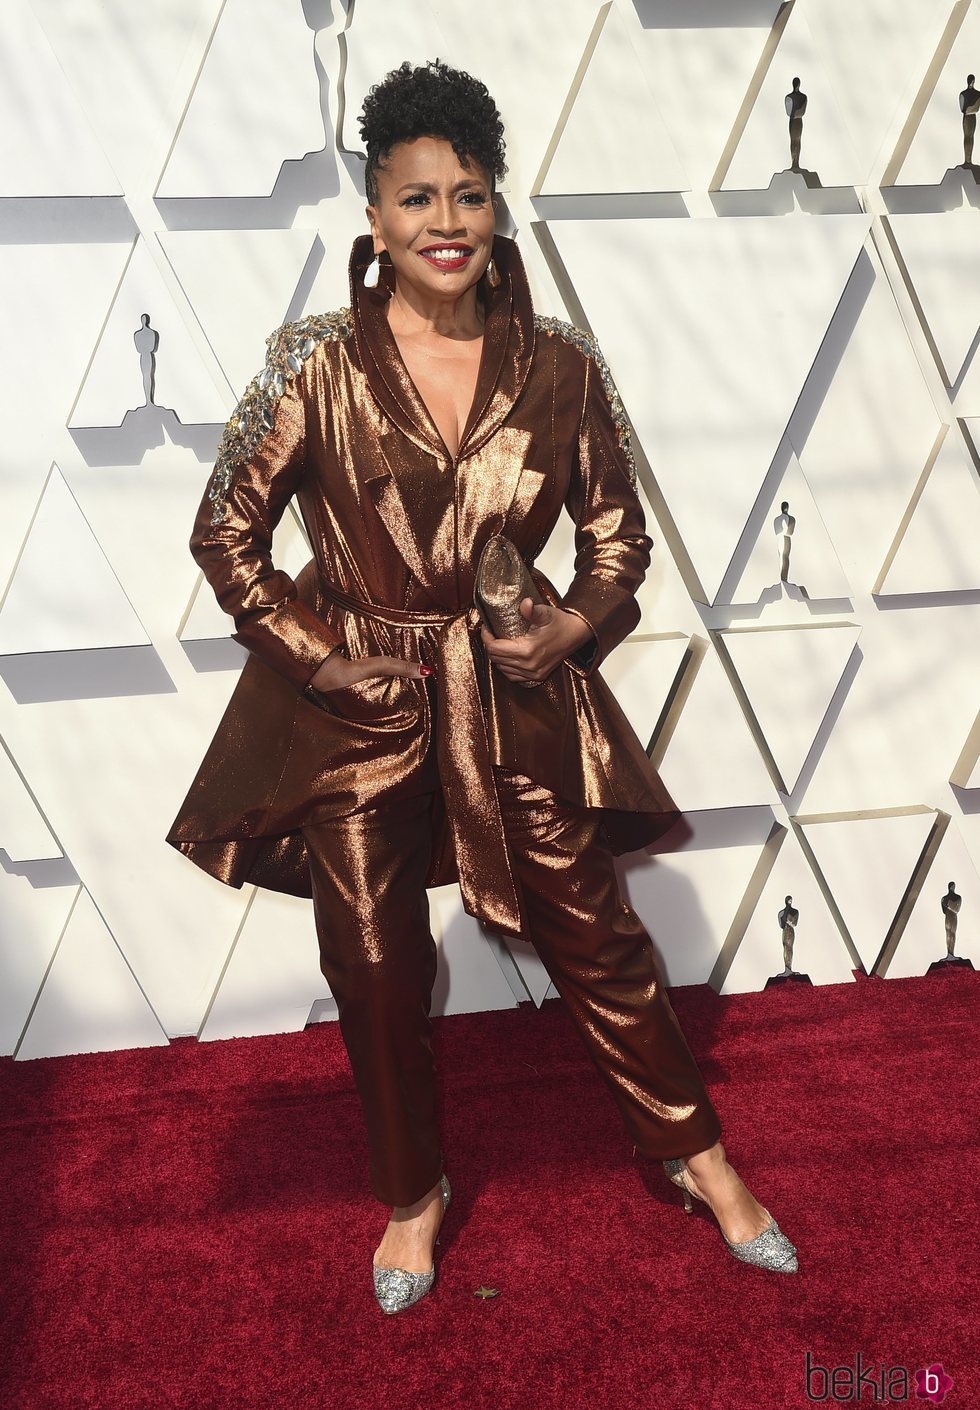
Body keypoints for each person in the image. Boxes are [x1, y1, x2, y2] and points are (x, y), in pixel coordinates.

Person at [167, 59, 798, 1313]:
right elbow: (224, 539)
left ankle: (698, 1153)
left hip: (515, 700)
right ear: (372, 217)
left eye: (467, 195)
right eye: (414, 199)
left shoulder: (558, 363)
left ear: (498, 207)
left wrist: (572, 626)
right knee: (372, 959)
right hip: (365, 715)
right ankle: (414, 1194)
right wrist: (320, 655)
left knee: (597, 939)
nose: (442, 223)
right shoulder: (311, 368)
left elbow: (617, 537)